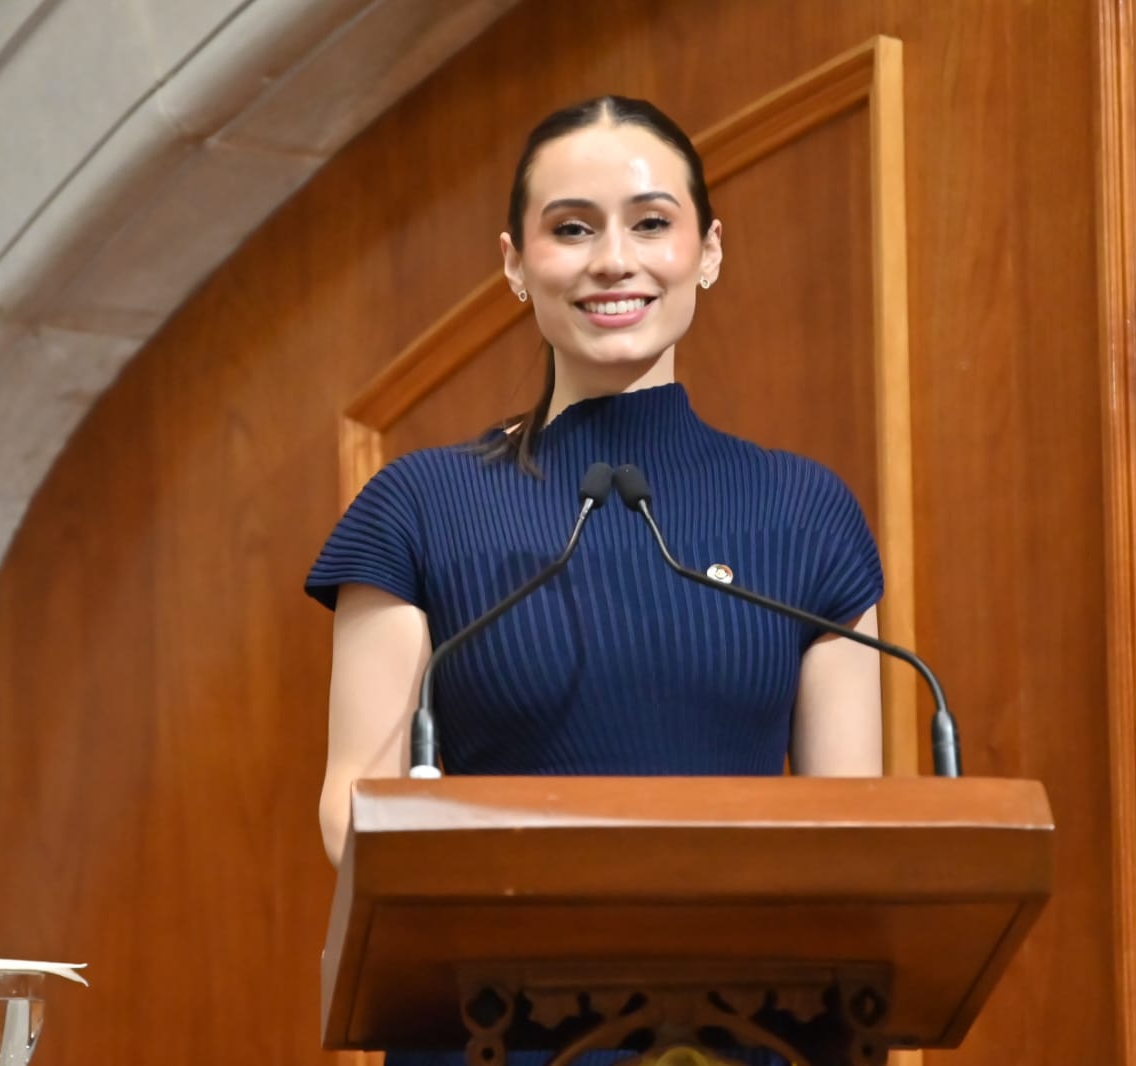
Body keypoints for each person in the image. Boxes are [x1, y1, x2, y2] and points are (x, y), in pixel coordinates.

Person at [305, 96, 886, 1064]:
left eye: (651, 223)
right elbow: (353, 809)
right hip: (494, 1025)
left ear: (707, 251)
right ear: (514, 264)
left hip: (751, 1031)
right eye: (571, 229)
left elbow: (851, 831)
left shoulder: (807, 512)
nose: (613, 260)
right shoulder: (416, 507)